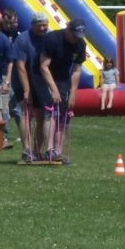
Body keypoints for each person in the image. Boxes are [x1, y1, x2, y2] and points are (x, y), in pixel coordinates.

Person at [37, 18, 87, 162]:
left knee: (64, 115)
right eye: (74, 35)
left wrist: (73, 93)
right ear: (68, 29)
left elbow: (76, 70)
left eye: (79, 36)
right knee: (51, 112)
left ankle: (58, 152)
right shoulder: (52, 39)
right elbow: (43, 67)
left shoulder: (80, 44)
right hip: (45, 77)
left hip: (63, 79)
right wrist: (53, 90)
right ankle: (49, 150)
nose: (76, 39)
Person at [12, 11, 50, 161]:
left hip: (39, 80)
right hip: (22, 79)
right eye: (39, 25)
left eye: (45, 25)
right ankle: (26, 150)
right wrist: (27, 90)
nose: (42, 28)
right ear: (32, 25)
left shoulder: (48, 38)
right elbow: (20, 66)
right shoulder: (22, 39)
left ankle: (36, 151)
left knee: (41, 115)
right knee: (26, 112)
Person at [0, 8, 20, 149]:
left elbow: (14, 55)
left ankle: (24, 133)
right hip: (0, 73)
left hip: (12, 73)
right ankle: (3, 136)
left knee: (16, 105)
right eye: (7, 23)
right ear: (3, 19)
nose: (9, 26)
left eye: (12, 23)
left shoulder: (14, 32)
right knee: (4, 105)